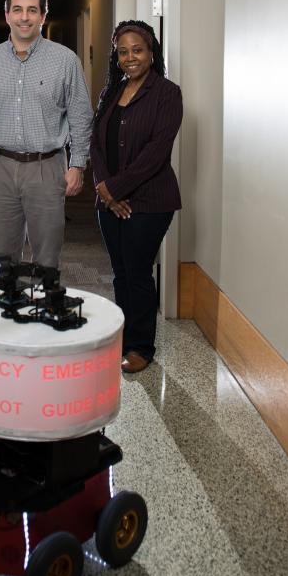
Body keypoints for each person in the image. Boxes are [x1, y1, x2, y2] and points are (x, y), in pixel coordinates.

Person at [0, 0, 92, 269]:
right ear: (7, 15)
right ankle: (6, 312)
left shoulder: (65, 61)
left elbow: (80, 116)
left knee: (47, 258)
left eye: (32, 10)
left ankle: (44, 311)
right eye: (18, 10)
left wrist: (78, 164)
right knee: (0, 259)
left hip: (46, 167)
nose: (24, 17)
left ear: (43, 16)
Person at [90, 19, 182, 373]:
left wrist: (115, 188)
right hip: (108, 200)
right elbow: (96, 143)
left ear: (151, 52)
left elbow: (156, 153)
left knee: (138, 272)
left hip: (150, 201)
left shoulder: (167, 94)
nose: (130, 57)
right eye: (123, 51)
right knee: (119, 273)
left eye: (137, 50)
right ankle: (123, 338)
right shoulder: (110, 93)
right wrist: (104, 187)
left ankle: (141, 346)